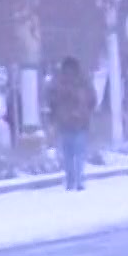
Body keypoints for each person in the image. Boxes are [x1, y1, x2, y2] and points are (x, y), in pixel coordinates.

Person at [45, 56, 97, 191]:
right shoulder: (84, 81)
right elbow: (93, 99)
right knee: (79, 153)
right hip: (81, 122)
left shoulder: (58, 82)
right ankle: (79, 180)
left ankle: (70, 181)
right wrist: (87, 112)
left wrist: (53, 118)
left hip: (64, 123)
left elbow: (51, 102)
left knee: (68, 154)